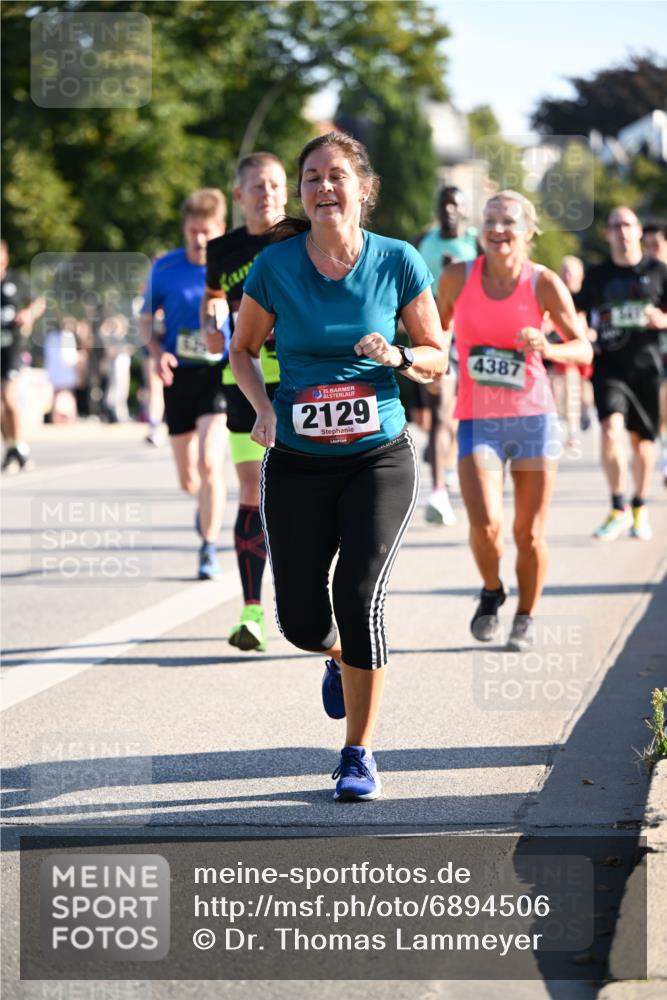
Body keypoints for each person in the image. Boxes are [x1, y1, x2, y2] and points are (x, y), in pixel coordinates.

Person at [230, 132, 448, 801]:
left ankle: (357, 751)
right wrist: (261, 408)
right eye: (311, 178)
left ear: (363, 187)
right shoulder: (275, 265)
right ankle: (335, 658)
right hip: (295, 457)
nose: (324, 188)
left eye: (336, 176)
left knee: (358, 597)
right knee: (299, 620)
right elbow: (241, 349)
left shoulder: (398, 261)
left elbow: (437, 356)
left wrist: (400, 360)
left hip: (377, 457)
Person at [438, 191, 592, 652]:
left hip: (533, 420)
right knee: (485, 525)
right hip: (477, 419)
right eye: (490, 221)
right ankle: (491, 590)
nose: (498, 229)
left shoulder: (542, 283)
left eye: (508, 221)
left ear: (528, 232)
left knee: (528, 533)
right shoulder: (456, 278)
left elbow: (582, 347)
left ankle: (525, 615)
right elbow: (432, 328)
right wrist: (432, 365)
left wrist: (547, 348)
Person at [201, 152, 288, 653]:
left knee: (303, 493)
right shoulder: (223, 250)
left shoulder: (299, 239)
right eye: (257, 186)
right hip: (245, 380)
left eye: (275, 185)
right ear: (239, 196)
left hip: (299, 382)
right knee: (252, 492)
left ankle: (313, 600)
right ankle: (252, 612)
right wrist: (213, 331)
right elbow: (212, 300)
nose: (267, 193)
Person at [139, 189, 227, 579]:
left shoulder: (229, 265)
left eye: (207, 231)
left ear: (220, 229)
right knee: (188, 478)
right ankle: (202, 507)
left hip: (218, 372)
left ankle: (208, 547)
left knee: (211, 462)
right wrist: (158, 353)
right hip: (179, 375)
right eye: (193, 231)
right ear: (185, 230)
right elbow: (145, 318)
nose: (200, 240)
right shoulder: (166, 268)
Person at [577, 206, 667, 540]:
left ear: (639, 230)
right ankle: (618, 506)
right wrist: (584, 331)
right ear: (608, 234)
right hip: (609, 366)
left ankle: (640, 506)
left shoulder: (658, 271)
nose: (622, 231)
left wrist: (663, 320)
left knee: (642, 441)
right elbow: (577, 309)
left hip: (647, 365)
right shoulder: (598, 274)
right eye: (615, 226)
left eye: (627, 224)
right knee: (611, 430)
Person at [416, 186, 479, 526]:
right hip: (438, 335)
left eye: (456, 203)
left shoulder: (478, 242)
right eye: (444, 203)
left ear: (466, 209)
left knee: (463, 411)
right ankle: (438, 492)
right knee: (441, 409)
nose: (449, 209)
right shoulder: (423, 239)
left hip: (476, 337)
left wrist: (464, 272)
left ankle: (453, 462)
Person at [1, 240, 44, 472]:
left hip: (13, 347)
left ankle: (16, 445)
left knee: (7, 396)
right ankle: (12, 447)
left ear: (5, 258)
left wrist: (29, 313)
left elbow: (39, 301)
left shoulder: (16, 280)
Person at [546, 255, 595, 449]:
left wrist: (589, 332)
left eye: (572, 272)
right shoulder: (553, 294)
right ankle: (570, 430)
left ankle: (584, 412)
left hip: (584, 351)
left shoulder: (587, 296)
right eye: (564, 271)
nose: (567, 276)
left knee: (583, 392)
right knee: (565, 384)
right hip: (560, 350)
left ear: (580, 276)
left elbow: (596, 321)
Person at [642, 225, 667, 482]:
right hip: (653, 353)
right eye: (647, 246)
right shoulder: (644, 275)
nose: (651, 251)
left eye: (656, 245)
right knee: (661, 407)